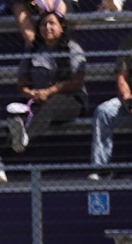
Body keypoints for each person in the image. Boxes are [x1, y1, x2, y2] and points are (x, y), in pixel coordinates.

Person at [6, 10, 86, 154]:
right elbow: (22, 80)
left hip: (71, 100)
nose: (47, 27)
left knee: (52, 105)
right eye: (43, 24)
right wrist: (28, 92)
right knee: (16, 116)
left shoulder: (73, 48)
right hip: (37, 99)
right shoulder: (33, 49)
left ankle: (23, 140)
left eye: (52, 23)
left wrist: (49, 92)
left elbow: (77, 82)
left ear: (62, 27)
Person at [91, 35, 132, 179]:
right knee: (103, 111)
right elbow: (122, 77)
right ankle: (101, 169)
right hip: (129, 100)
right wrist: (128, 101)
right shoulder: (128, 41)